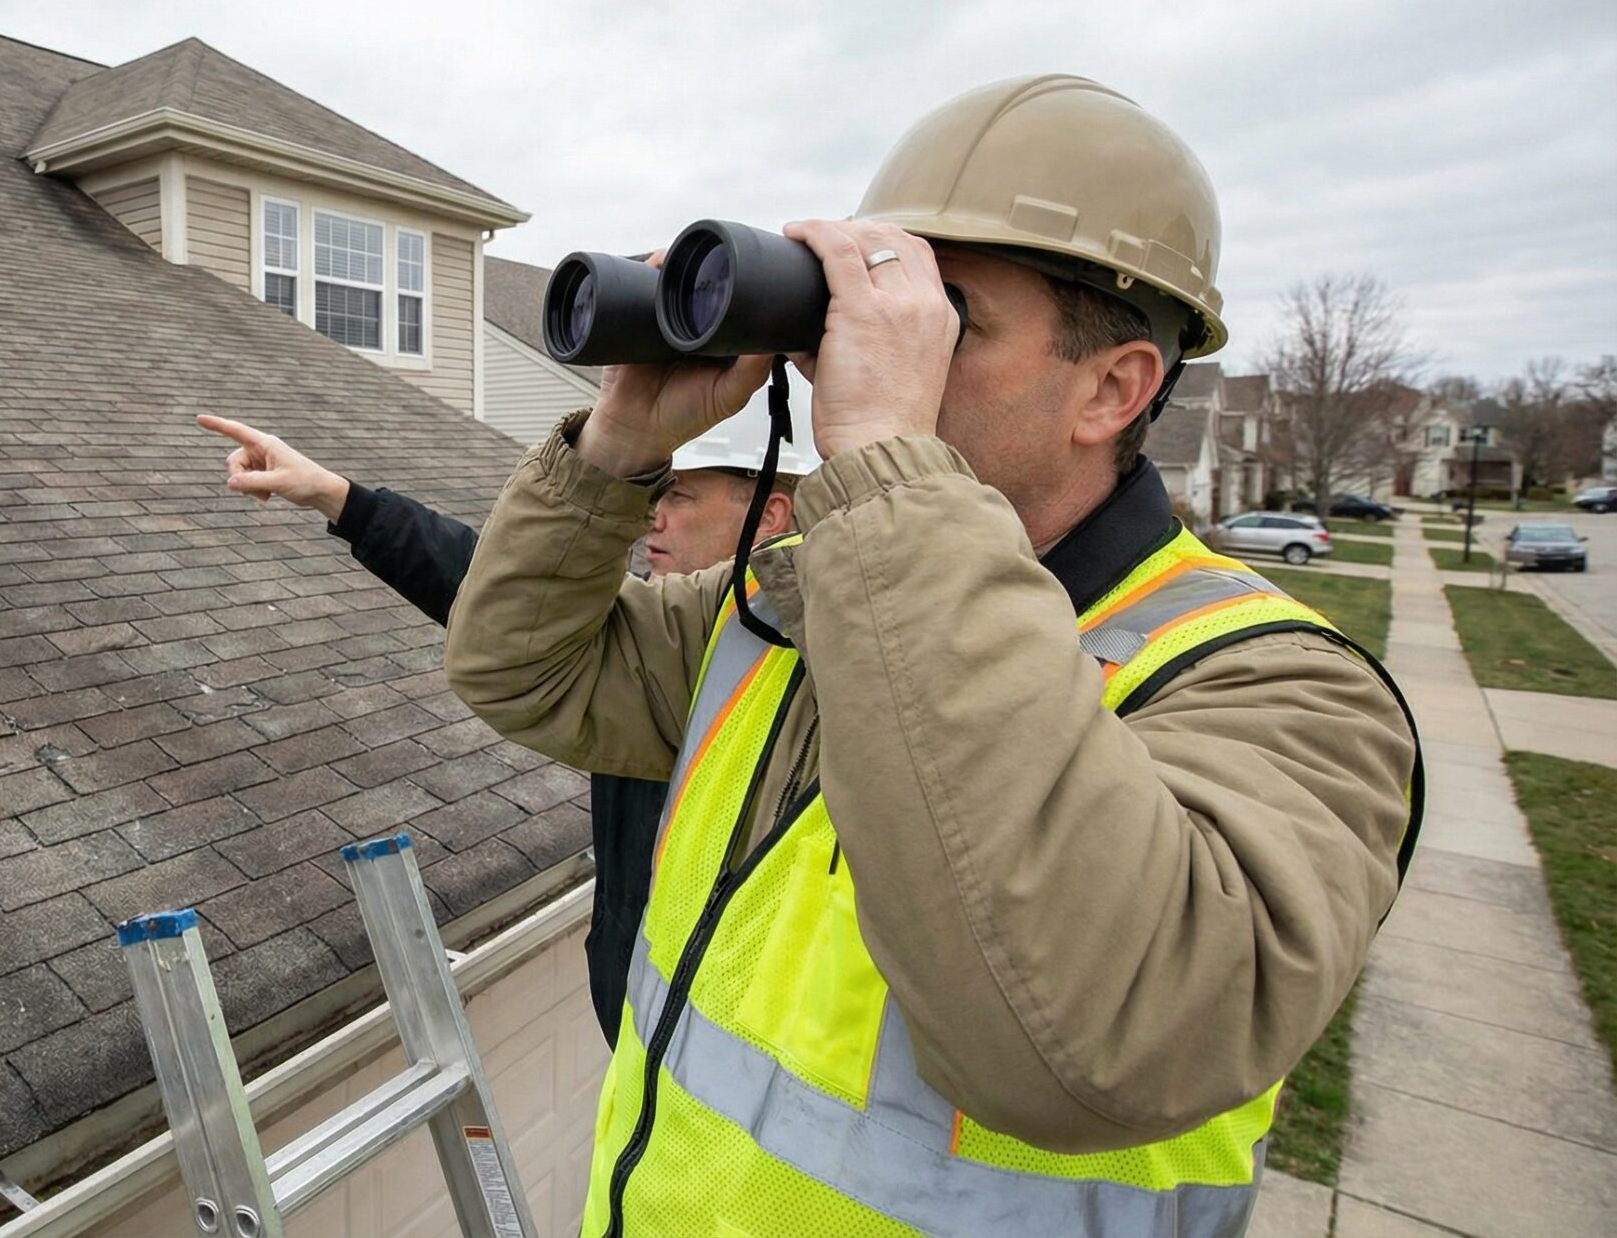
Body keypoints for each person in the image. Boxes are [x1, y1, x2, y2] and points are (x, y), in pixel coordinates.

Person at [441, 74, 1422, 1237]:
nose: (861, 352)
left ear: (1112, 388)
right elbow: (520, 669)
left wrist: (886, 475)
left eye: (943, 316)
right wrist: (616, 450)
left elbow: (1088, 1040)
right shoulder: (791, 605)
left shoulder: (1280, 693)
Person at [195, 389, 818, 1048]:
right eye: (653, 495)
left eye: (679, 497)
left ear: (770, 511)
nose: (649, 520)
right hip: (644, 1054)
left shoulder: (802, 672)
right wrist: (336, 496)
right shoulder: (663, 649)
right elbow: (498, 592)